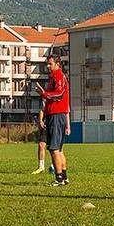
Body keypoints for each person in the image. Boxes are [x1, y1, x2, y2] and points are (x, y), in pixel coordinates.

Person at [35, 55, 70, 186]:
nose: (48, 66)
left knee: (54, 148)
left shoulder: (58, 76)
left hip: (56, 115)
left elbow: (59, 94)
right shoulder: (54, 77)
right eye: (47, 64)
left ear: (57, 64)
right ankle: (64, 177)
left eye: (50, 64)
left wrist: (44, 94)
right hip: (57, 115)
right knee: (59, 149)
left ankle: (59, 179)